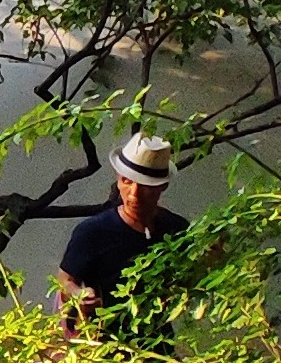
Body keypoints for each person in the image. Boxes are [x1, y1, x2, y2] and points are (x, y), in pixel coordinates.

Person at [56, 132, 194, 314]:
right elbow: (65, 280)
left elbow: (191, 281)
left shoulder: (177, 229)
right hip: (104, 330)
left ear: (161, 187)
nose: (134, 194)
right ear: (118, 179)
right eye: (127, 181)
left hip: (157, 330)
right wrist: (78, 295)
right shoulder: (92, 232)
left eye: (144, 185)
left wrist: (211, 260)